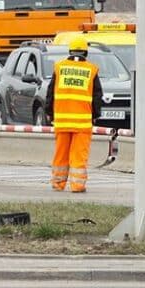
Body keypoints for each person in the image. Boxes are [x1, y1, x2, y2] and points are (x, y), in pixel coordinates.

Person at [46, 37, 102, 193]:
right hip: (82, 123)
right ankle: (77, 186)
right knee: (79, 156)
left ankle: (58, 184)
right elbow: (97, 96)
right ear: (86, 52)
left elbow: (50, 93)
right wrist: (96, 115)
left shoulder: (59, 67)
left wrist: (49, 112)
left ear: (70, 51)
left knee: (60, 154)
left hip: (62, 121)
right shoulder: (91, 70)